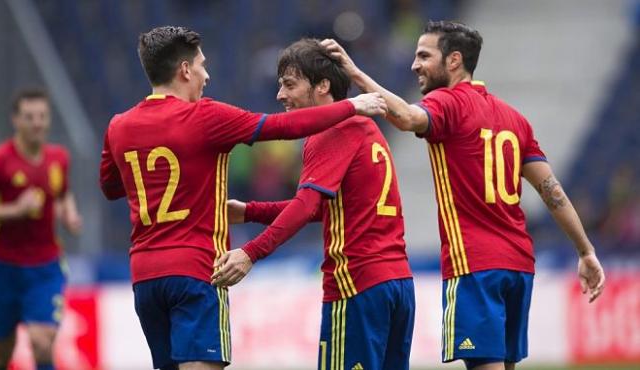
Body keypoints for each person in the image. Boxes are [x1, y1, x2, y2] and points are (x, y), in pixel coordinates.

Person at [321, 20, 606, 370]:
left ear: (454, 60)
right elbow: (551, 191)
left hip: (475, 265)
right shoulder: (514, 119)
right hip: (518, 265)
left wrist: (356, 74)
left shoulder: (447, 103)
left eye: (424, 55)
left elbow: (408, 117)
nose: (415, 65)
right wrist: (585, 250)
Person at [98, 26, 386, 370]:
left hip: (145, 276)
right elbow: (284, 128)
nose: (207, 74)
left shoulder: (119, 126)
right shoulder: (205, 116)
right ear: (185, 70)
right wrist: (352, 105)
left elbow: (111, 187)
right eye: (202, 65)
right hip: (198, 270)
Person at [212, 38, 415, 370]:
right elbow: (324, 207)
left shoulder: (330, 130)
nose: (280, 95)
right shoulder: (366, 128)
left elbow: (306, 204)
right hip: (397, 284)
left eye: (290, 85)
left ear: (322, 86)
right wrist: (249, 211)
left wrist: (251, 252)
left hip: (356, 284)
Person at [0, 88, 82, 370]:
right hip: (3, 266)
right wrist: (14, 211)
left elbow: (62, 193)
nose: (37, 123)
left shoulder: (58, 158)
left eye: (42, 116)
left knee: (42, 341)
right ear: (16, 120)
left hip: (45, 266)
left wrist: (69, 214)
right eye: (29, 117)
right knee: (3, 350)